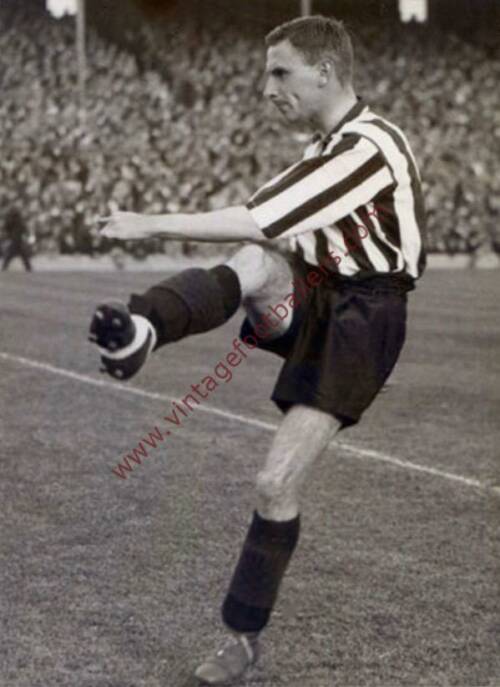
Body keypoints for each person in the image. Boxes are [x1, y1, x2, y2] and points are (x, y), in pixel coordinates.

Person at [89, 16, 426, 685]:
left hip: (365, 321)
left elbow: (259, 216)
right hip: (321, 298)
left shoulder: (367, 146)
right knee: (256, 260)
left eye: (280, 72)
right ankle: (143, 327)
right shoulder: (324, 149)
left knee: (275, 484)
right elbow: (270, 234)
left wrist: (147, 222)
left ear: (324, 72)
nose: (267, 88)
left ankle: (242, 638)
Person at [2, 206, 35, 272]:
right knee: (22, 254)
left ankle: (4, 267)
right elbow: (24, 229)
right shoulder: (18, 220)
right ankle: (28, 268)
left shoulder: (11, 220)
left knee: (11, 254)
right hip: (17, 239)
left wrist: (8, 235)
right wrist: (27, 234)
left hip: (15, 239)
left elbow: (6, 228)